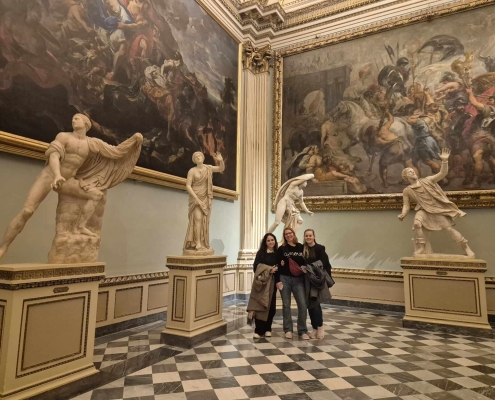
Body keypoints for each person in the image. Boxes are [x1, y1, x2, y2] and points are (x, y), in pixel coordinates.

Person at [0, 114, 143, 260]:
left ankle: (80, 226)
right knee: (27, 211)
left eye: (77, 118)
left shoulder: (92, 143)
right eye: (73, 118)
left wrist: (134, 140)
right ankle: (3, 247)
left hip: (68, 181)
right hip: (50, 175)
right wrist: (57, 175)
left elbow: (115, 152)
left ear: (86, 124)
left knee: (97, 195)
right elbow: (54, 155)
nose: (73, 120)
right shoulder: (64, 136)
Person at [398, 148, 475, 257]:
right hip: (423, 210)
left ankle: (466, 248)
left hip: (436, 209)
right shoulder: (407, 190)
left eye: (413, 171)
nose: (413, 172)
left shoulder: (427, 180)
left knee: (449, 229)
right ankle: (421, 248)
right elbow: (406, 205)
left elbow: (442, 173)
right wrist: (403, 213)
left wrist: (444, 161)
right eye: (410, 172)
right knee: (417, 224)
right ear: (406, 177)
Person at [183, 151, 224, 254]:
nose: (198, 157)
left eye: (199, 155)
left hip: (206, 198)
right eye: (196, 156)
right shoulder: (192, 171)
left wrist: (221, 161)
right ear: (194, 160)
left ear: (203, 157)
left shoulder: (208, 168)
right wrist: (196, 198)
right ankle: (197, 243)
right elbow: (188, 186)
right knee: (198, 219)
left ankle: (204, 243)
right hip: (195, 197)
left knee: (205, 222)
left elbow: (220, 169)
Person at [276, 228, 310, 340]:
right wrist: (277, 280)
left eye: (290, 233)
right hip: (284, 279)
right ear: (284, 236)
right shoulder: (281, 249)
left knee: (302, 305)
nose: (288, 235)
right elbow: (277, 265)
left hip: (298, 280)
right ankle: (288, 329)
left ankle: (302, 330)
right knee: (286, 305)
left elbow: (306, 262)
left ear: (293, 234)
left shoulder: (301, 247)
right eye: (286, 234)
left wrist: (304, 268)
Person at [303, 229, 332, 339]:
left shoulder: (320, 248)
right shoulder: (303, 249)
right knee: (310, 305)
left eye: (310, 235)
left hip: (317, 280)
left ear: (314, 236)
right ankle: (314, 328)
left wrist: (309, 267)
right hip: (307, 280)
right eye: (306, 236)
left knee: (315, 303)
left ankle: (320, 327)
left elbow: (324, 263)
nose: (308, 237)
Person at [251, 233, 279, 338]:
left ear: (275, 241)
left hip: (272, 284)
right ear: (265, 242)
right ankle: (258, 330)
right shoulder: (261, 253)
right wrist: (269, 269)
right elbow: (256, 267)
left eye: (272, 240)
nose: (271, 242)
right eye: (268, 240)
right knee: (260, 305)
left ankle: (268, 328)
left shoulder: (277, 253)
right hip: (262, 283)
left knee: (271, 306)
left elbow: (280, 266)